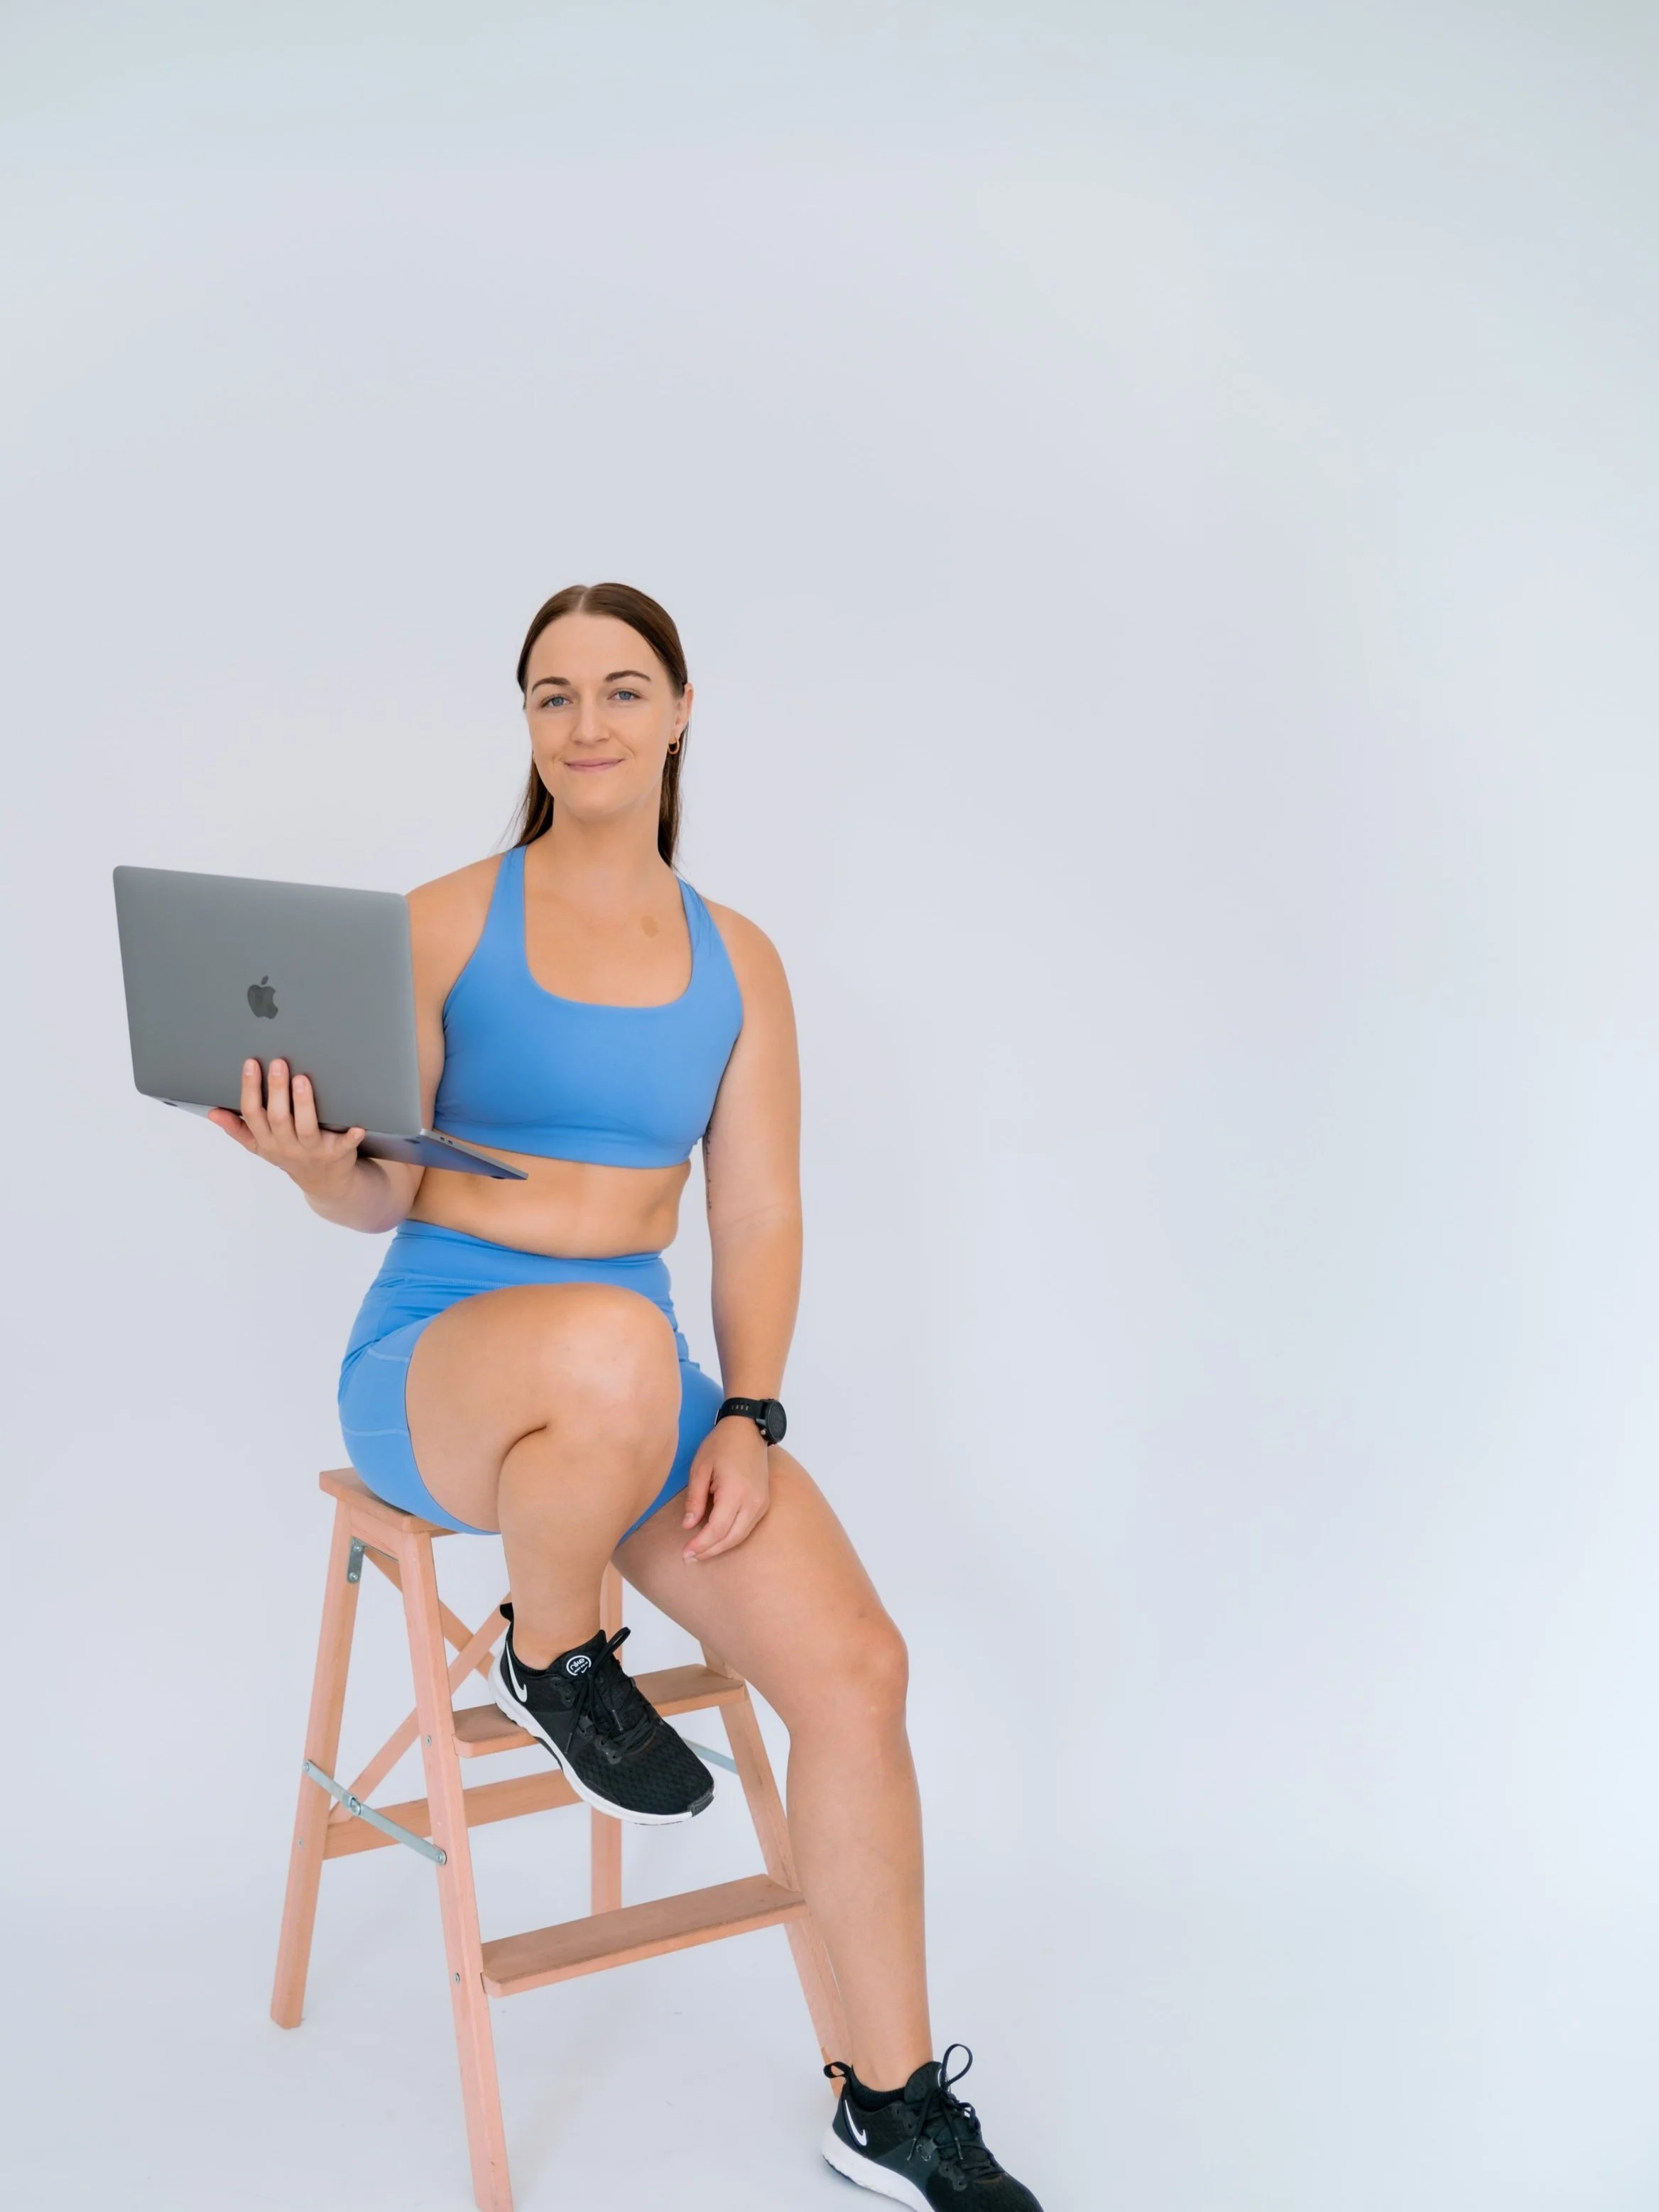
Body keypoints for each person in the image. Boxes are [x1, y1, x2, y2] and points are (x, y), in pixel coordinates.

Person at [210, 582, 1044, 2210]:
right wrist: (320, 1173)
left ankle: (885, 2103)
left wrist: (754, 1412)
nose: (585, 724)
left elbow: (758, 1211)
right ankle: (553, 1646)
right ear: (526, 727)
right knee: (605, 1345)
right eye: (550, 695)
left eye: (617, 689)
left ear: (677, 712)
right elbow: (383, 1193)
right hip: (444, 1373)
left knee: (859, 1669)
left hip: (637, 1385)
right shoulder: (448, 919)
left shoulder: (739, 962)